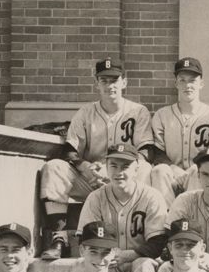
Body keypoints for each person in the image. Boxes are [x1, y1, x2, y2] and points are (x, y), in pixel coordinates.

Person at [40, 57, 153, 260]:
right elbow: (69, 149)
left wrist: (116, 172)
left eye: (114, 80)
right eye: (104, 80)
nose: (110, 85)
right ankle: (59, 237)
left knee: (145, 168)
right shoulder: (86, 112)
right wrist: (84, 166)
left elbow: (145, 151)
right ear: (97, 83)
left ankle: (145, 236)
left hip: (124, 178)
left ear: (124, 82)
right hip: (91, 178)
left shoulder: (138, 111)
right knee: (54, 167)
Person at [76, 143, 168, 272]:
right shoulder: (95, 198)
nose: (119, 172)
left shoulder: (152, 197)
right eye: (113, 166)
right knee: (83, 266)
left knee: (144, 267)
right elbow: (84, 238)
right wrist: (106, 255)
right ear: (106, 168)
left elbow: (158, 242)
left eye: (125, 166)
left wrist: (128, 255)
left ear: (136, 169)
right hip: (108, 261)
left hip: (140, 260)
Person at [147, 57, 209, 206]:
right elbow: (157, 151)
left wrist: (196, 166)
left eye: (192, 80)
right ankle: (168, 221)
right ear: (176, 83)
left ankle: (193, 222)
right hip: (171, 173)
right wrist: (172, 167)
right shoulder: (162, 114)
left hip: (198, 171)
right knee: (159, 171)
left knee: (199, 172)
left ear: (201, 83)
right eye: (182, 80)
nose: (187, 85)